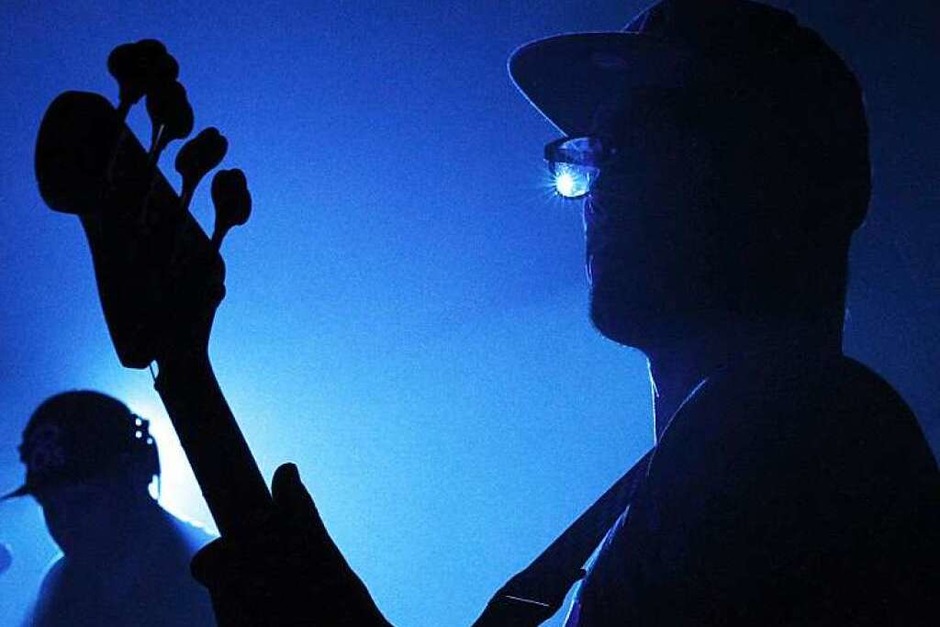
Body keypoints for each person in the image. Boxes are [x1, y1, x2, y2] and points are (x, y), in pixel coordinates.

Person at [172, 0, 940, 624]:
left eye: (646, 140)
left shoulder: (798, 441)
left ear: (778, 169)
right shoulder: (705, 473)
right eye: (596, 149)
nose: (603, 187)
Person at [4, 390, 217, 626]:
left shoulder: (216, 575)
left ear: (136, 473)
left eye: (82, 501)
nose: (65, 523)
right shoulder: (63, 588)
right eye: (50, 507)